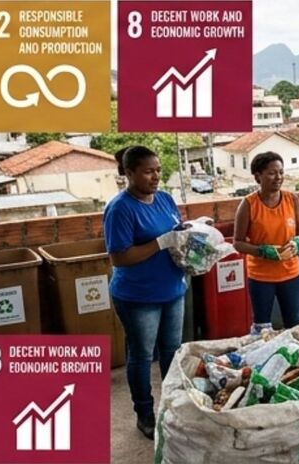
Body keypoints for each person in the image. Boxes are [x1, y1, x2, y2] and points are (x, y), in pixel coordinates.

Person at [104, 145, 187, 439]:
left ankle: (173, 405)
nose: (156, 177)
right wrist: (161, 242)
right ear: (129, 173)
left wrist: (191, 233)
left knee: (171, 352)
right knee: (141, 355)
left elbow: (176, 230)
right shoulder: (121, 209)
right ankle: (145, 413)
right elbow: (119, 257)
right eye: (148, 171)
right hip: (138, 296)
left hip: (173, 288)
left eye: (158, 170)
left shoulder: (164, 199)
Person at [234, 152, 299, 333]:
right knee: (262, 327)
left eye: (281, 172)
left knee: (294, 325)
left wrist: (297, 242)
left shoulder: (292, 199)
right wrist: (263, 251)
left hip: (290, 273)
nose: (279, 178)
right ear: (258, 176)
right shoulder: (248, 204)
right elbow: (238, 242)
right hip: (261, 277)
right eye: (272, 173)